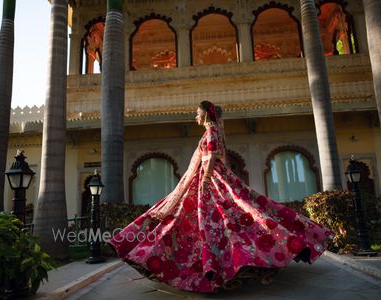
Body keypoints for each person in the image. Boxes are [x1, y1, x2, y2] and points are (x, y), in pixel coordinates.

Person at [108, 100, 334, 293]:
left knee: (235, 213)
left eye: (197, 113)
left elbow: (211, 157)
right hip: (206, 178)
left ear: (205, 113)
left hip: (211, 179)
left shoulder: (212, 132)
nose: (195, 117)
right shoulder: (210, 132)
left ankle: (237, 261)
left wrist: (205, 180)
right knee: (200, 220)